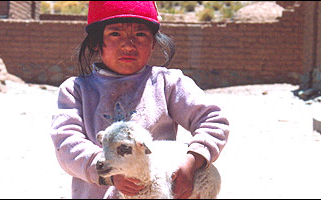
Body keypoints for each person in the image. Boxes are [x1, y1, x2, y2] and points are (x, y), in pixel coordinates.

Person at [50, 1, 229, 199]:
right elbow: (66, 144)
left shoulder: (167, 83)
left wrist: (193, 160)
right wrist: (106, 171)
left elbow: (213, 120)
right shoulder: (76, 90)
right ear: (95, 42)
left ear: (153, 42)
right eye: (115, 34)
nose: (128, 44)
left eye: (140, 34)